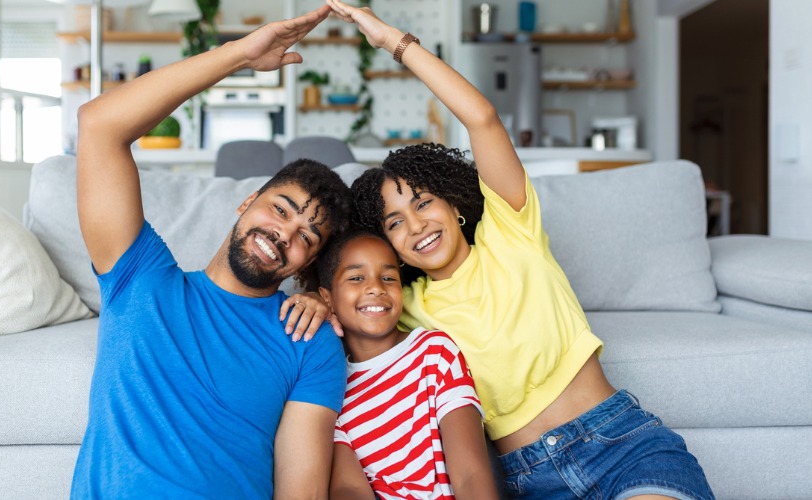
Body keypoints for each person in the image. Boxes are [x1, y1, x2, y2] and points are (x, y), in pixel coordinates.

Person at [327, 1, 715, 498]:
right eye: (395, 223)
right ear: (391, 248)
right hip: (529, 480)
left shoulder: (510, 228)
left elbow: (482, 118)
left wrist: (394, 43)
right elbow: (347, 290)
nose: (417, 224)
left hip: (621, 446)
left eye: (423, 202)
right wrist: (317, 301)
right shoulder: (408, 308)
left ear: (454, 204)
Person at [71, 6, 352, 498]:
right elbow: (99, 125)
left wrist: (324, 298)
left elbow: (300, 491)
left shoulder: (310, 342)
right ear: (247, 202)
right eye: (281, 209)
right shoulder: (139, 275)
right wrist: (240, 54)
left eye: (307, 236)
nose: (286, 233)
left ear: (307, 261)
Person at [316, 228, 498, 500]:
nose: (376, 287)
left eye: (389, 278)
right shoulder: (331, 387)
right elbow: (348, 489)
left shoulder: (434, 352)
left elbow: (470, 473)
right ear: (327, 298)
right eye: (356, 277)